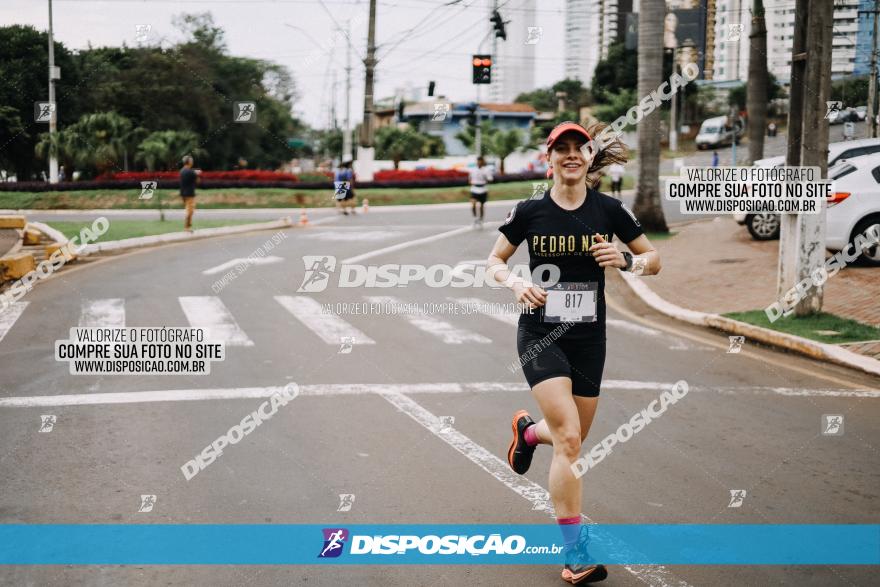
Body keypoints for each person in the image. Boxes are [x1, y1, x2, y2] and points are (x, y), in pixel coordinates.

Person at [487, 121, 661, 584]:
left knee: (572, 437)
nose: (569, 155)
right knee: (568, 441)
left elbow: (655, 260)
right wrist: (517, 283)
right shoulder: (529, 212)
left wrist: (627, 261)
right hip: (540, 335)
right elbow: (494, 262)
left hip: (589, 339)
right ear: (548, 160)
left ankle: (527, 435)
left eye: (577, 148)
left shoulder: (609, 211)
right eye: (559, 149)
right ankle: (575, 555)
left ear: (588, 157)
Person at [468, 156, 493, 227]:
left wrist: (485, 178)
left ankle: (481, 219)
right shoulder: (473, 169)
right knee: (473, 204)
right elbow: (469, 179)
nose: (479, 162)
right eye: (478, 161)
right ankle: (475, 218)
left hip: (483, 189)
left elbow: (490, 179)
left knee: (481, 206)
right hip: (474, 189)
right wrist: (471, 182)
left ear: (482, 162)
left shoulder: (486, 170)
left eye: (480, 161)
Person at [179, 155, 200, 232]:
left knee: (189, 210)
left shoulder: (181, 171)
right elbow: (198, 181)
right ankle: (187, 227)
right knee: (190, 211)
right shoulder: (191, 172)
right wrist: (197, 174)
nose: (192, 162)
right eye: (191, 160)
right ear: (189, 162)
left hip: (183, 194)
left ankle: (188, 227)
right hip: (190, 194)